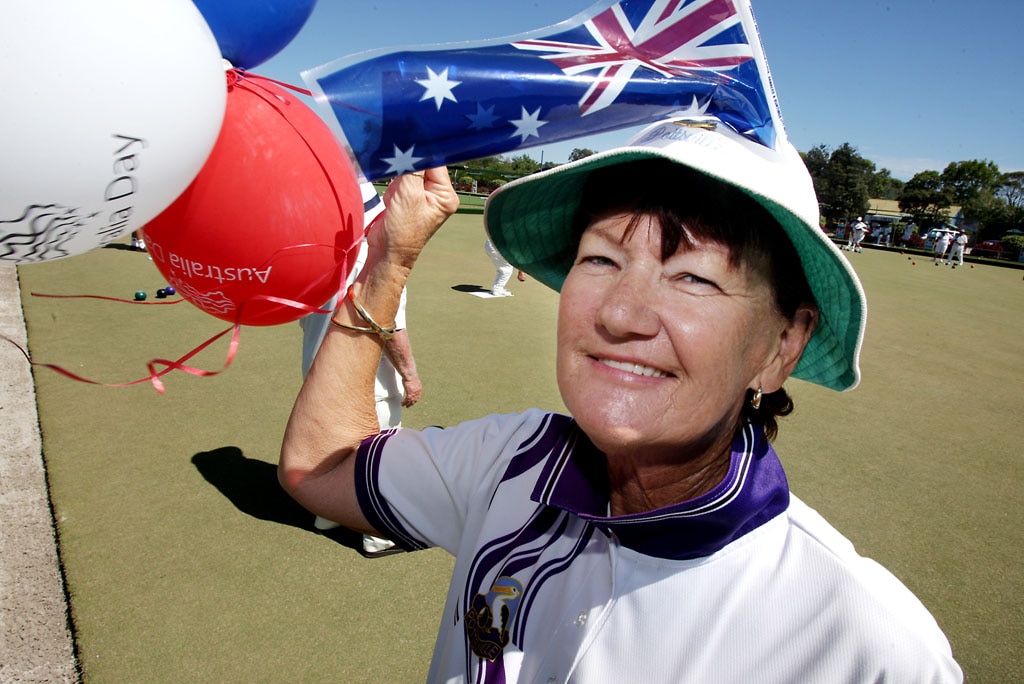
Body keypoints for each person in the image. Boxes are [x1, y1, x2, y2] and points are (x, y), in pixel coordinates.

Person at [280, 118, 962, 682]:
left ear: (782, 344)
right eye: (601, 260)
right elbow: (321, 465)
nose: (622, 315)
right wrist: (387, 266)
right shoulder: (508, 462)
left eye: (695, 277)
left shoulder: (865, 645)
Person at [298, 180, 422, 558]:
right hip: (366, 379)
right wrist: (411, 376)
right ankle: (378, 533)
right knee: (376, 451)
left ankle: (327, 515)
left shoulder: (311, 246)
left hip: (318, 370)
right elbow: (390, 327)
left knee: (332, 446)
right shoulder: (377, 256)